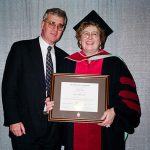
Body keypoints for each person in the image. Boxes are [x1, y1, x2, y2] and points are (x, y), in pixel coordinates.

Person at [61, 10, 141, 150]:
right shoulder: (67, 63)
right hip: (73, 135)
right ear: (79, 39)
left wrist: (115, 111)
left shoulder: (115, 64)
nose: (90, 37)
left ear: (101, 40)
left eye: (95, 33)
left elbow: (129, 100)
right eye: (86, 33)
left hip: (107, 134)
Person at [2, 8, 69, 150]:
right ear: (42, 24)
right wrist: (13, 120)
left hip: (54, 131)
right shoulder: (21, 49)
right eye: (52, 23)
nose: (55, 28)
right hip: (25, 127)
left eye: (60, 26)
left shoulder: (65, 58)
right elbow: (8, 87)